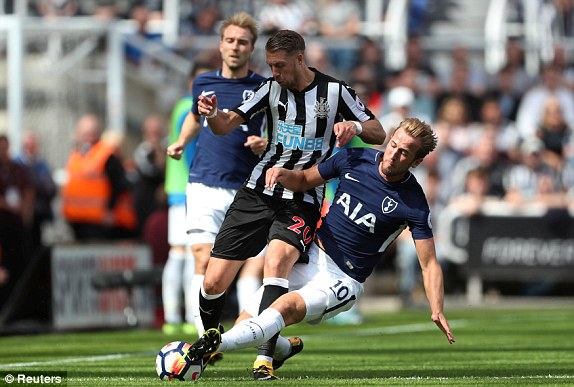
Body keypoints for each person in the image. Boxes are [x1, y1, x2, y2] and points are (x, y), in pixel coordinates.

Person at [184, 118, 455, 381]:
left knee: (284, 307)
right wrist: (283, 174)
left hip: (343, 279)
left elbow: (429, 263)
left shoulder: (414, 203)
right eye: (393, 144)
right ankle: (282, 349)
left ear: (416, 162)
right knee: (248, 322)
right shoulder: (355, 159)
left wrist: (437, 308)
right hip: (312, 255)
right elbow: (304, 180)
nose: (393, 154)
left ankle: (211, 347)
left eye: (404, 152)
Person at [194, 28, 385, 380]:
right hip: (258, 190)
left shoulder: (334, 91)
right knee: (213, 282)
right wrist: (211, 114)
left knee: (278, 261)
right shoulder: (270, 89)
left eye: (280, 66)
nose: (275, 73)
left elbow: (379, 131)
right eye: (270, 66)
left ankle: (263, 360)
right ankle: (207, 345)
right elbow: (225, 126)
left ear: (300, 58)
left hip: (305, 197)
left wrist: (355, 129)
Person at [166, 12, 269, 338]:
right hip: (203, 184)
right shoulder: (204, 82)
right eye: (230, 40)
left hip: (245, 189)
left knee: (241, 268)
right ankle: (204, 337)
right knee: (201, 258)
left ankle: (252, 333)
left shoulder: (263, 87)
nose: (235, 47)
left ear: (251, 48)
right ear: (221, 45)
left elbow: (279, 132)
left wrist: (264, 143)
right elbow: (196, 117)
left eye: (242, 42)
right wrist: (182, 142)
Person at [161, 60, 214, 336]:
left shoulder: (185, 107)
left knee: (185, 253)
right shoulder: (188, 109)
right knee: (183, 253)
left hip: (182, 190)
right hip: (186, 190)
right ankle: (174, 314)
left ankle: (178, 314)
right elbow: (191, 153)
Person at [61, 113, 137, 241]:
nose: (88, 137)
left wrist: (110, 210)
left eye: (91, 132)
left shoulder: (105, 154)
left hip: (97, 222)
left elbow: (118, 184)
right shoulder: (76, 154)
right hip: (76, 220)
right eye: (84, 133)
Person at [0, 134, 34, 306]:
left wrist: (24, 210)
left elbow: (28, 191)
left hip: (17, 226)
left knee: (19, 266)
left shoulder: (17, 169)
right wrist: (9, 206)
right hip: (2, 225)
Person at [14, 131, 57, 256]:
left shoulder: (42, 165)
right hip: (19, 214)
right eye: (28, 145)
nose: (31, 148)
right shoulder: (16, 164)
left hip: (39, 212)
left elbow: (50, 188)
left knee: (35, 246)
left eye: (33, 145)